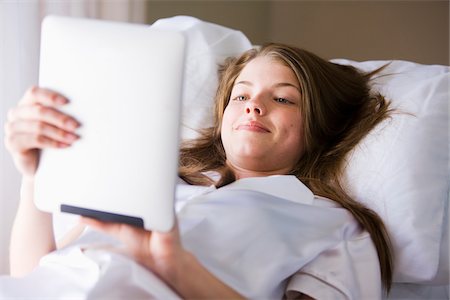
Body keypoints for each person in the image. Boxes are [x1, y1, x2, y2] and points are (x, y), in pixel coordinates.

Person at [4, 42, 393, 299]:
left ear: (321, 124)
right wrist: (35, 174)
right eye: (241, 94)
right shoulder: (149, 181)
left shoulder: (331, 222)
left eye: (282, 98)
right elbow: (32, 274)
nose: (253, 105)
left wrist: (175, 266)